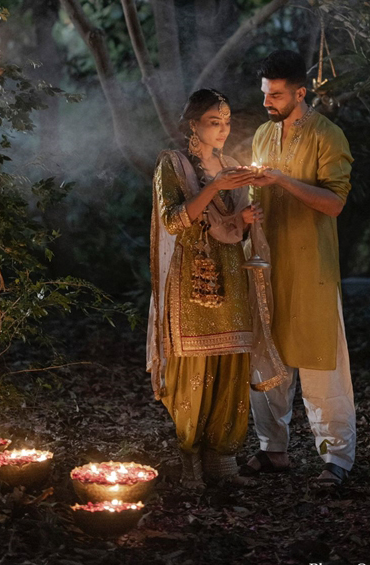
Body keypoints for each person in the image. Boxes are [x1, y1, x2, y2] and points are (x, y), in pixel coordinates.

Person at [147, 89, 286, 488]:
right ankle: (191, 459)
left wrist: (246, 218)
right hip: (192, 277)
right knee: (195, 364)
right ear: (193, 124)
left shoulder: (230, 168)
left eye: (226, 122)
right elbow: (174, 220)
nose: (223, 129)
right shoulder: (172, 164)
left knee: (231, 363)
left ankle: (223, 460)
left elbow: (230, 229)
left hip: (232, 273)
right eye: (213, 122)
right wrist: (214, 186)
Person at [242, 49, 356, 487]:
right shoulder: (262, 135)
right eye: (265, 94)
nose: (267, 102)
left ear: (300, 93)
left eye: (276, 95)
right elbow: (258, 196)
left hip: (312, 267)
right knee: (266, 358)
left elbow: (335, 203)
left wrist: (282, 180)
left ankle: (337, 458)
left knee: (321, 362)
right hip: (266, 264)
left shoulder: (328, 135)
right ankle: (273, 449)